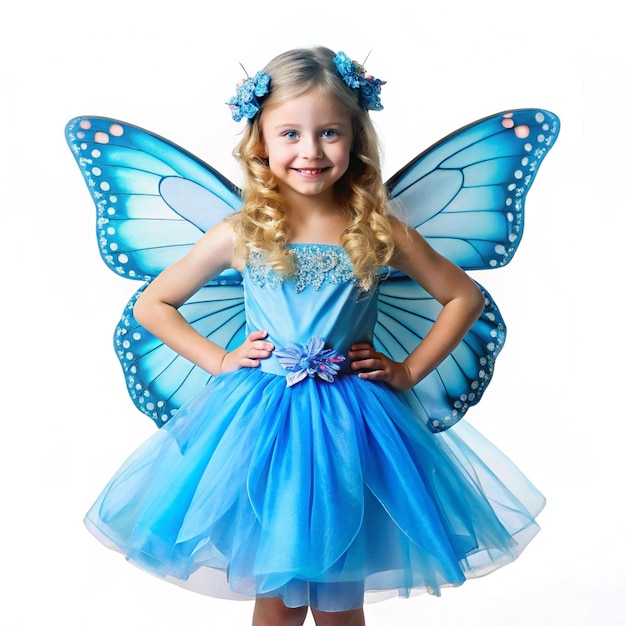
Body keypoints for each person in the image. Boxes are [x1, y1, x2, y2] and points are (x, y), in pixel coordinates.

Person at [84, 47, 544, 626]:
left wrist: (405, 372)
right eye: (291, 134)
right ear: (261, 145)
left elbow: (463, 296)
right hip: (262, 424)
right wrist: (222, 360)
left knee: (340, 596)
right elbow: (155, 303)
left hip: (356, 425)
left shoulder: (378, 230)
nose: (310, 151)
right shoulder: (241, 232)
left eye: (329, 133)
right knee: (275, 596)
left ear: (355, 139)